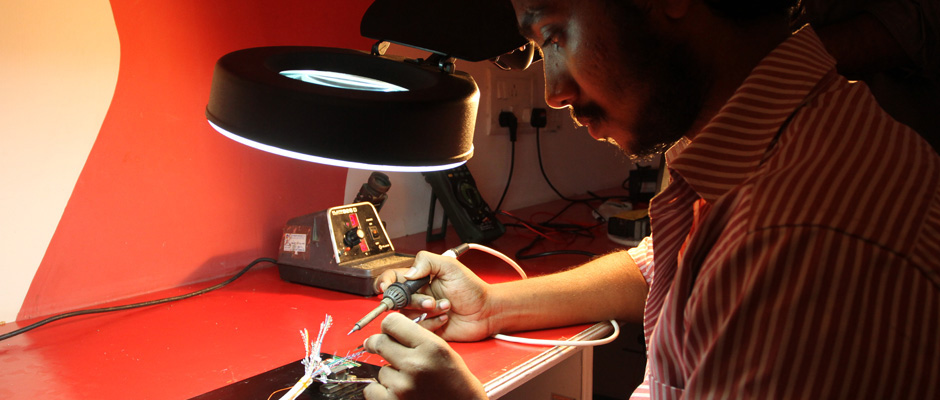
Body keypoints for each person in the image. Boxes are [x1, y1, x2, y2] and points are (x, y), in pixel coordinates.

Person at [361, 0, 940, 399]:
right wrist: (491, 305)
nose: (555, 91)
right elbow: (664, 263)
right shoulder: (772, 140)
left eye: (555, 35)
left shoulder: (799, 239)